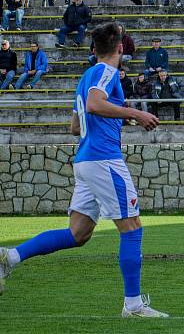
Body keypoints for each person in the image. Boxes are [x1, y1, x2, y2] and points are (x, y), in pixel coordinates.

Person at [0, 22, 168, 317]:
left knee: (78, 234)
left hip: (86, 159)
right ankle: (133, 305)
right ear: (120, 48)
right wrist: (136, 113)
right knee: (132, 228)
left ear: (93, 49)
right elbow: (94, 104)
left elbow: (75, 125)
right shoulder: (107, 71)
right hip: (104, 160)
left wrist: (115, 119)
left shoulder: (86, 76)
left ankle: (9, 257)